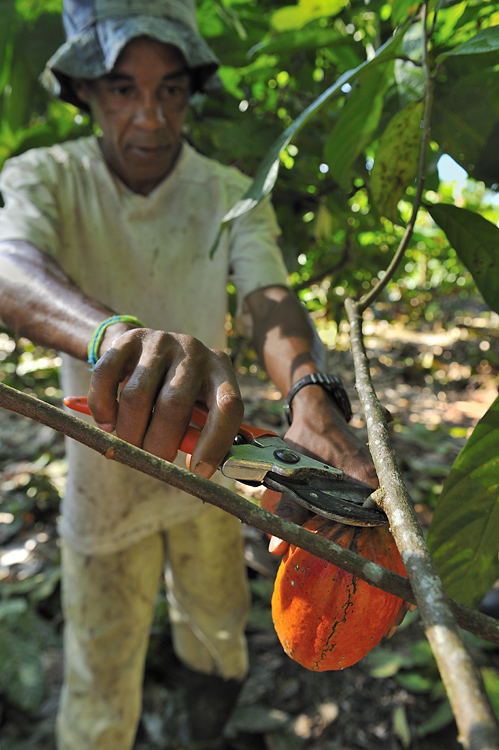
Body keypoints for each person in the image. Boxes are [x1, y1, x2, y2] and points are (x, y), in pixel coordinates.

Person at [0, 1, 377, 748]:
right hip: (104, 484)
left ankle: (200, 725)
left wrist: (306, 393)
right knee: (100, 682)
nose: (150, 116)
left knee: (214, 637)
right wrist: (115, 338)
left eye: (170, 89)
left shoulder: (225, 189)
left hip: (212, 466)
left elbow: (268, 297)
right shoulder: (47, 176)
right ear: (85, 91)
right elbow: (11, 268)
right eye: (121, 89)